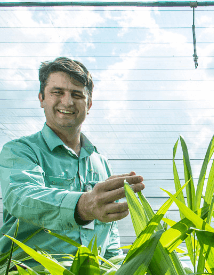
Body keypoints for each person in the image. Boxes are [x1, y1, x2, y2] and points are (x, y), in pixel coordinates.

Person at [0, 57, 145, 260]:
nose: (67, 102)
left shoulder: (100, 162)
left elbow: (109, 234)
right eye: (57, 92)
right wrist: (84, 206)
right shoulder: (20, 151)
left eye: (77, 95)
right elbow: (20, 197)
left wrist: (118, 272)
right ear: (41, 98)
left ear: (89, 104)